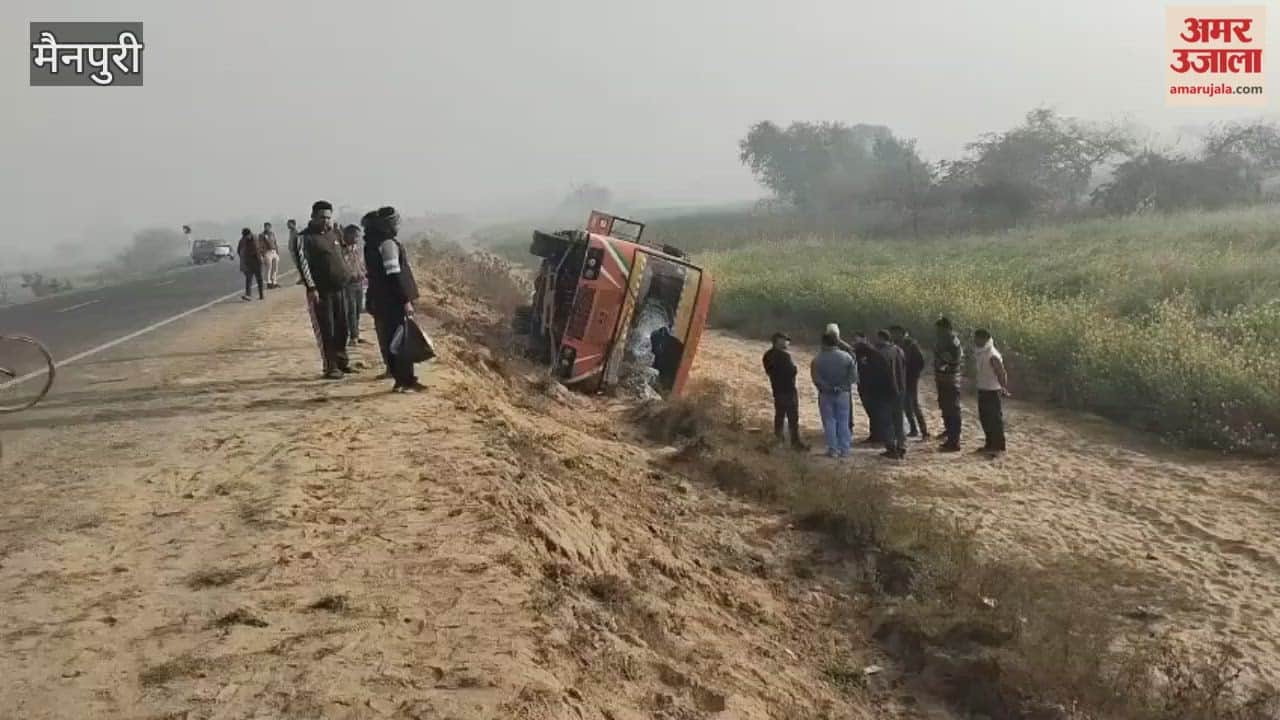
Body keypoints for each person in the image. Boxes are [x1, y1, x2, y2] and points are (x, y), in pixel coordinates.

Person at [362, 206, 427, 393]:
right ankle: (406, 381)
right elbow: (394, 275)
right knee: (402, 340)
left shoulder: (372, 244)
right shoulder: (388, 244)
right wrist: (405, 300)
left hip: (381, 299)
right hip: (393, 300)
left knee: (391, 339)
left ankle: (401, 379)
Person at [297, 201, 354, 379]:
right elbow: (302, 264)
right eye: (322, 217)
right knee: (326, 329)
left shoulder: (333, 234)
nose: (326, 221)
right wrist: (311, 287)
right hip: (321, 292)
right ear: (313, 217)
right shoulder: (304, 238)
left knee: (342, 327)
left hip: (341, 288)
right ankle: (330, 366)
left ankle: (342, 362)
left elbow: (342, 256)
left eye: (328, 217)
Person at [810, 329, 856, 458]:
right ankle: (845, 449)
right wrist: (841, 386)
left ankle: (833, 449)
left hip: (825, 393)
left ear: (823, 342)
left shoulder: (817, 359)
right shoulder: (847, 357)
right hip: (843, 393)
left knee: (829, 421)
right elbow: (853, 377)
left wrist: (827, 387)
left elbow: (816, 378)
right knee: (843, 421)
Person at [762, 332, 805, 449]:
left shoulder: (767, 355)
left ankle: (778, 439)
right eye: (786, 340)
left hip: (777, 388)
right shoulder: (785, 356)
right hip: (788, 389)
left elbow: (768, 371)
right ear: (779, 341)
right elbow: (792, 371)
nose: (787, 343)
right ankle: (795, 443)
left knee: (779, 415)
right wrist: (795, 369)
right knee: (792, 417)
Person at [872, 329, 908, 459]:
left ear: (881, 338)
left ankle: (891, 448)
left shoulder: (880, 353)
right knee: (899, 419)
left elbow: (878, 375)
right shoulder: (899, 350)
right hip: (900, 389)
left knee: (887, 421)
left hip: (885, 391)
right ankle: (902, 446)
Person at [973, 329, 1010, 454]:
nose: (975, 341)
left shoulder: (992, 354)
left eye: (977, 338)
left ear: (984, 339)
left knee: (994, 420)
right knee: (985, 419)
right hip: (983, 389)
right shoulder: (981, 352)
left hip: (992, 391)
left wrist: (1004, 388)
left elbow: (1001, 372)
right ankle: (989, 444)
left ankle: (998, 446)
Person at [891, 325, 930, 439]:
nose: (894, 335)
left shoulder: (912, 345)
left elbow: (920, 363)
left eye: (896, 333)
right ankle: (913, 429)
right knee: (906, 406)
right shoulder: (897, 344)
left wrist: (913, 375)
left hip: (910, 379)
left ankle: (924, 431)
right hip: (902, 379)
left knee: (914, 405)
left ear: (902, 333)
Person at [934, 316, 964, 452]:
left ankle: (954, 440)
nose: (938, 332)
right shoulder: (946, 340)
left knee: (952, 409)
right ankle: (950, 433)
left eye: (940, 329)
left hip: (950, 379)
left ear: (946, 328)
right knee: (945, 406)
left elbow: (951, 361)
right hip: (944, 378)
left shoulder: (952, 342)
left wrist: (941, 364)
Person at [339, 224, 367, 347]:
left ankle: (356, 333)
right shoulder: (341, 250)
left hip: (359, 282)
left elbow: (361, 264)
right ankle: (353, 336)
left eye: (358, 236)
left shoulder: (357, 249)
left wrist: (363, 273)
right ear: (348, 235)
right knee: (351, 309)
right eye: (355, 236)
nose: (357, 238)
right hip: (348, 284)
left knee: (358, 309)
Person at [236, 228, 264, 301]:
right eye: (244, 237)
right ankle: (248, 295)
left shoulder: (255, 239)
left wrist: (261, 256)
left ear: (250, 234)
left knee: (259, 279)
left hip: (257, 261)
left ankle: (261, 295)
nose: (246, 238)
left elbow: (260, 248)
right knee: (248, 279)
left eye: (246, 236)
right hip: (249, 262)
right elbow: (239, 251)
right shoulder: (243, 240)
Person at [258, 222, 281, 289]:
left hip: (274, 251)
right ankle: (269, 282)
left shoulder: (272, 234)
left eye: (268, 226)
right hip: (267, 252)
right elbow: (260, 245)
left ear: (270, 227)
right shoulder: (262, 235)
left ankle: (274, 282)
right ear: (264, 227)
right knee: (269, 268)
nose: (267, 228)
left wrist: (277, 252)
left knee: (275, 268)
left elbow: (275, 243)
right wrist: (262, 255)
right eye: (266, 226)